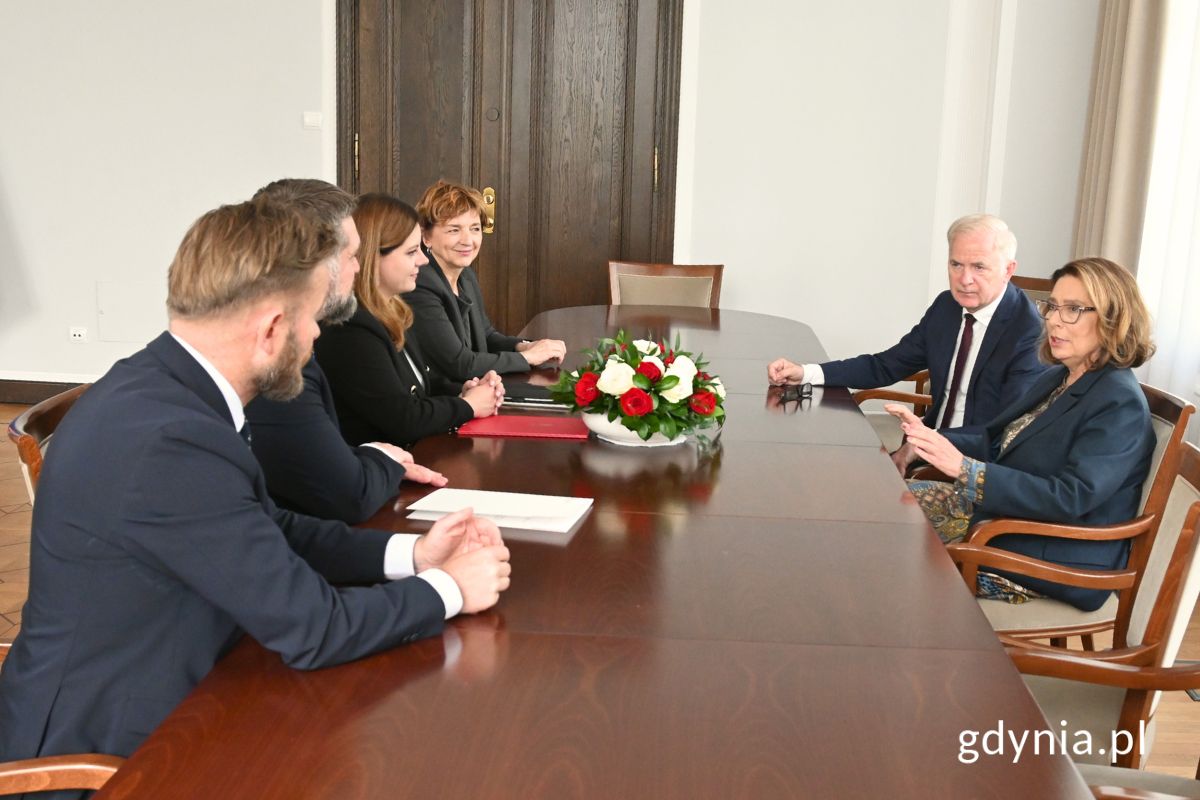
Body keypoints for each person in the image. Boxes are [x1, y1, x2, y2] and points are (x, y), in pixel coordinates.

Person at [0, 197, 511, 776]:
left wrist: (412, 553)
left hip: (194, 680)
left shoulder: (165, 383)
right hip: (117, 747)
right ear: (272, 329)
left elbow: (266, 528)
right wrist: (449, 589)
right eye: (315, 318)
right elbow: (313, 628)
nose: (319, 334)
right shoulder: (172, 439)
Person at [889, 257, 1156, 612]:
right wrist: (926, 444)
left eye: (1074, 309)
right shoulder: (1060, 376)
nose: (1055, 320)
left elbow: (1070, 497)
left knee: (887, 550)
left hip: (1052, 557)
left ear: (1113, 319)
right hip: (1002, 523)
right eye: (1053, 306)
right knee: (881, 508)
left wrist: (966, 470)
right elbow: (996, 442)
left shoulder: (1119, 402)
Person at [245, 179, 447, 524]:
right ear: (312, 261)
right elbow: (346, 497)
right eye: (353, 255)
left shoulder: (294, 346)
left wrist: (366, 456)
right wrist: (379, 461)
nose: (358, 267)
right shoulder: (280, 359)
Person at [767, 214, 1047, 452]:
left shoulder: (1028, 330)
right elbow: (886, 365)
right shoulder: (946, 306)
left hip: (976, 464)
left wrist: (925, 442)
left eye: (979, 267)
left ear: (1008, 270)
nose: (964, 279)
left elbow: (1005, 432)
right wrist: (805, 373)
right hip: (928, 444)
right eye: (956, 264)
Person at [314, 193, 504, 449]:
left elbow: (420, 386)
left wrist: (466, 390)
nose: (423, 260)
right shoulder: (350, 327)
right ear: (373, 256)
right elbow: (404, 418)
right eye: (412, 252)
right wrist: (468, 405)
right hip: (381, 473)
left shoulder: (395, 309)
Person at [405, 179, 565, 381]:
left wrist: (524, 345)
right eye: (454, 230)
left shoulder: (466, 275)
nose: (468, 240)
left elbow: (487, 336)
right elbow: (459, 364)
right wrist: (526, 357)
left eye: (475, 228)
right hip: (444, 400)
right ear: (426, 236)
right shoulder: (420, 283)